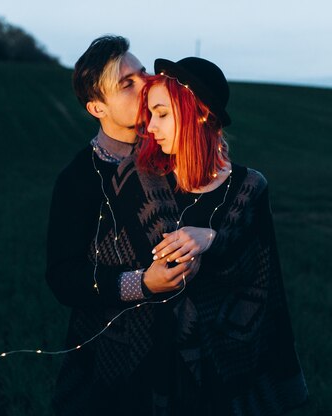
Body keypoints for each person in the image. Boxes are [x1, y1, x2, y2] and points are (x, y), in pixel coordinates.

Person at [100, 58, 309, 414]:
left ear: (199, 113)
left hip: (224, 372)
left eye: (162, 114)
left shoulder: (249, 187)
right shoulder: (138, 181)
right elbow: (104, 265)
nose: (150, 126)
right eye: (150, 114)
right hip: (150, 365)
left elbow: (263, 281)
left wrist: (212, 238)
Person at [45, 36, 216, 415]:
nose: (145, 85)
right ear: (96, 107)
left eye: (142, 74)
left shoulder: (177, 159)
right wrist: (142, 283)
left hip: (186, 349)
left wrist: (211, 236)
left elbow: (222, 216)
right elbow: (63, 276)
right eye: (126, 83)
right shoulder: (78, 179)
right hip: (110, 357)